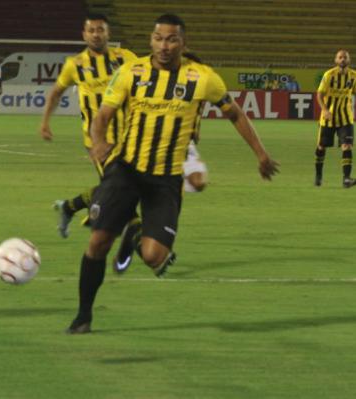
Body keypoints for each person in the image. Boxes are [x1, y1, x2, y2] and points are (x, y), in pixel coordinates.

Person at [67, 14, 279, 334]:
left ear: (183, 43)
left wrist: (261, 153)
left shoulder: (203, 78)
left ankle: (136, 236)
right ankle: (83, 316)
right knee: (98, 241)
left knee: (154, 257)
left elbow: (234, 113)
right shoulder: (131, 71)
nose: (164, 46)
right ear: (151, 40)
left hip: (165, 179)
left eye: (171, 39)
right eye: (158, 38)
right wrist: (99, 143)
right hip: (126, 169)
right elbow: (103, 115)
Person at [39, 14, 137, 238]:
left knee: (118, 189)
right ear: (84, 34)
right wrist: (45, 122)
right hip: (98, 142)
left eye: (100, 30)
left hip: (130, 138)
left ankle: (70, 207)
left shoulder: (126, 58)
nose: (96, 34)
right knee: (121, 192)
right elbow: (55, 93)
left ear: (108, 33)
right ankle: (143, 242)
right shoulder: (75, 65)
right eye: (91, 30)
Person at [314, 49, 355, 188]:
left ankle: (346, 179)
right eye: (340, 57)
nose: (343, 59)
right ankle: (318, 175)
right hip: (328, 118)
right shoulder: (329, 75)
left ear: (349, 60)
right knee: (321, 147)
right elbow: (319, 94)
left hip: (346, 118)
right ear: (336, 60)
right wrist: (325, 110)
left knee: (347, 146)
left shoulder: (354, 76)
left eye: (345, 57)